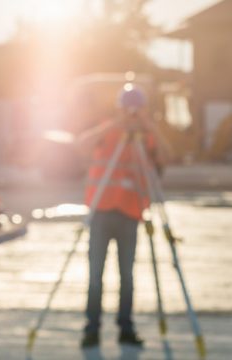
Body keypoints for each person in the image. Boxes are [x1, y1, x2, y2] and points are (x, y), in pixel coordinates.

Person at [76, 86, 159, 348]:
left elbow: (168, 156)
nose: (132, 115)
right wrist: (116, 124)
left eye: (137, 110)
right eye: (127, 110)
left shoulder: (145, 137)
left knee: (127, 275)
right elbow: (81, 145)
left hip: (130, 213)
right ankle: (92, 329)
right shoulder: (107, 130)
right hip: (101, 210)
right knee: (95, 274)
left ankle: (126, 327)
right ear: (118, 109)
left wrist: (149, 127)